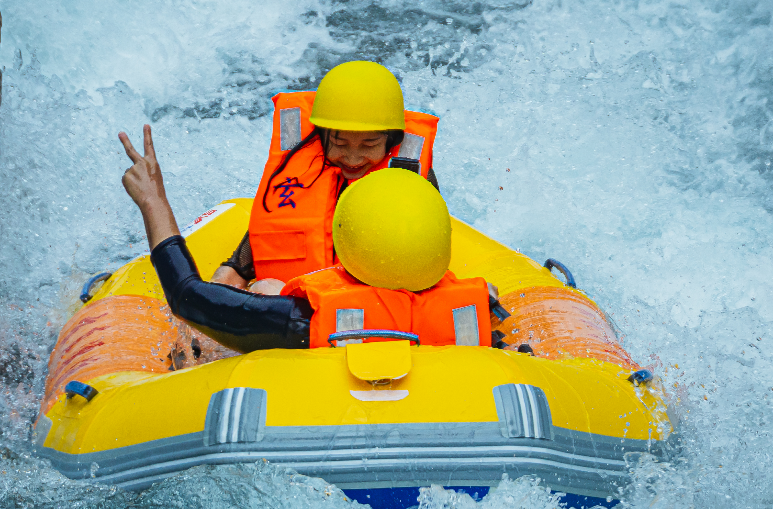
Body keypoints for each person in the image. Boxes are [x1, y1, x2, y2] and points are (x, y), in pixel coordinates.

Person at [119, 126, 497, 352]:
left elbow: (189, 296)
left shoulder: (305, 318)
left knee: (266, 287)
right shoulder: (478, 305)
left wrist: (153, 202)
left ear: (345, 245)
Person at [211, 61, 441, 295]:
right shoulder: (301, 170)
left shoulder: (413, 180)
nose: (352, 158)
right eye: (339, 143)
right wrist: (226, 278)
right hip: (301, 305)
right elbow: (251, 253)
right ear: (320, 137)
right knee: (263, 288)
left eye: (369, 144)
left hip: (373, 305)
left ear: (392, 140)